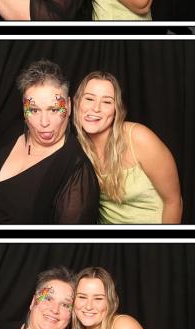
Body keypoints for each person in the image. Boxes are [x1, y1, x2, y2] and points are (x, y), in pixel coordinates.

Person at [0, 60, 99, 224]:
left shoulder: (77, 173)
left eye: (54, 109)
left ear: (69, 106)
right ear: (24, 108)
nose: (44, 122)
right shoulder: (13, 130)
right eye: (34, 110)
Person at [73, 71, 182, 224]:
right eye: (89, 99)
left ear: (116, 109)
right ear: (77, 103)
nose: (96, 108)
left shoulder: (139, 138)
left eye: (107, 102)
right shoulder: (75, 148)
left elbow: (173, 202)